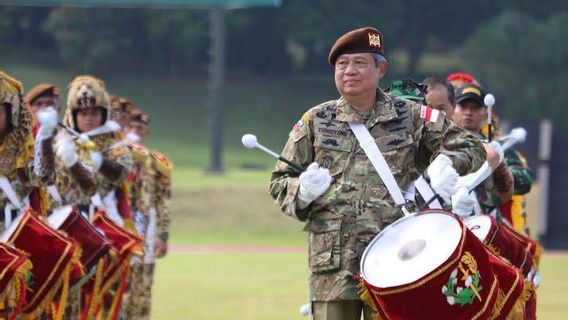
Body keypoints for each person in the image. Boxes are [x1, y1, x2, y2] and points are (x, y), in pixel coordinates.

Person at [269, 27, 487, 320]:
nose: (349, 71)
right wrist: (302, 191)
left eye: (360, 63)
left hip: (397, 258)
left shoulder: (411, 116)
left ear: (380, 69)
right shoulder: (316, 120)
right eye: (342, 64)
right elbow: (279, 180)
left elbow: (471, 145)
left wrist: (446, 163)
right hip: (333, 267)